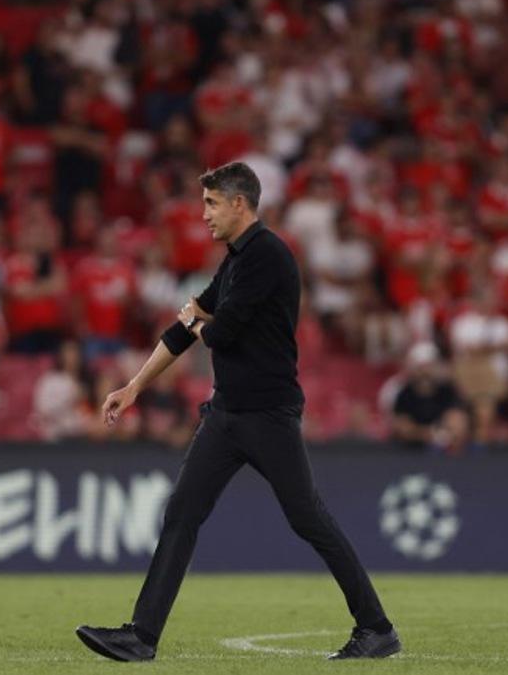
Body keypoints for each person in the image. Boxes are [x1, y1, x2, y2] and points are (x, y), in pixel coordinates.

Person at [74, 162, 399, 662]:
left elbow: (218, 332)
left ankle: (376, 628)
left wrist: (199, 319)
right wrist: (135, 385)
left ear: (238, 204)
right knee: (182, 512)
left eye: (210, 203)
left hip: (268, 414)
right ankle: (141, 636)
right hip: (227, 414)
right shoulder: (235, 261)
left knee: (307, 518)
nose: (202, 214)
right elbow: (188, 327)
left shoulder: (267, 256)